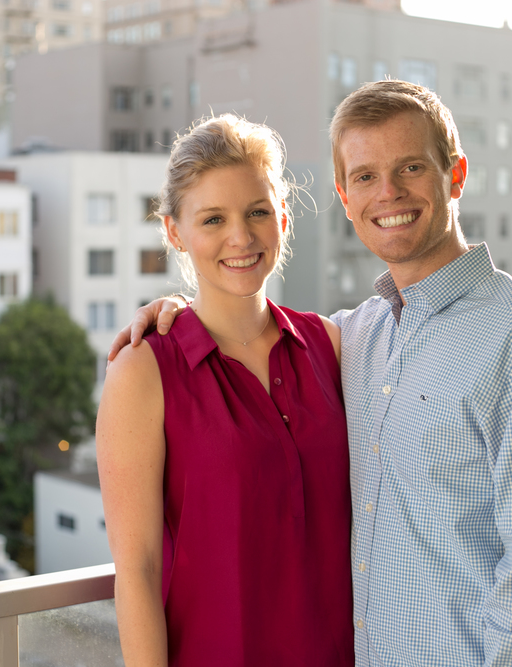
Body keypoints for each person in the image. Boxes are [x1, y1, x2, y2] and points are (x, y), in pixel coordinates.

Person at [110, 80, 512, 666]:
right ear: (345, 197)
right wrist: (172, 313)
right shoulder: (360, 336)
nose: (388, 192)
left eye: (411, 167)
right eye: (366, 176)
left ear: (456, 175)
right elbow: (137, 569)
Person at [96, 114, 355, 666]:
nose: (241, 237)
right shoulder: (143, 370)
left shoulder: (330, 344)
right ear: (174, 232)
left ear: (283, 217)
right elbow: (136, 572)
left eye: (257, 211)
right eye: (213, 219)